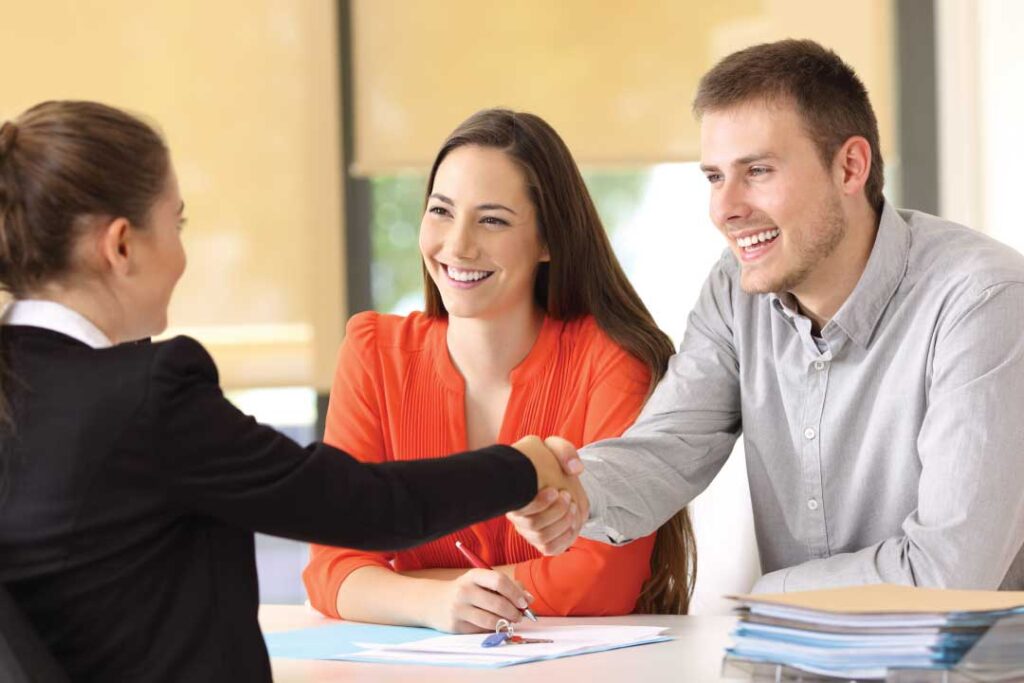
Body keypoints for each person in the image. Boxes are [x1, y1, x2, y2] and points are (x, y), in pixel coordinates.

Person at [0, 100, 584, 682]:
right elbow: (365, 506)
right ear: (121, 245)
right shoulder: (146, 397)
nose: (182, 256)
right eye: (175, 224)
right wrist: (525, 466)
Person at [512, 39, 1024, 592]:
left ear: (850, 166)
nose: (724, 209)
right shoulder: (736, 288)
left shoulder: (983, 302)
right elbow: (669, 447)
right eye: (713, 176)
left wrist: (766, 595)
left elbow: (948, 575)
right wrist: (574, 491)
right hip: (799, 662)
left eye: (756, 170)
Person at [302, 109, 696, 632]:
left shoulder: (610, 362)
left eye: (492, 219)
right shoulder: (373, 352)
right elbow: (332, 567)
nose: (457, 246)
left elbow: (601, 579)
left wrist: (402, 589)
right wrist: (436, 605)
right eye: (441, 211)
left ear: (549, 239)